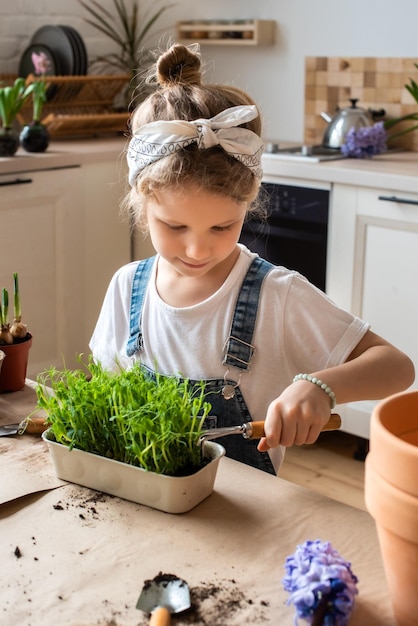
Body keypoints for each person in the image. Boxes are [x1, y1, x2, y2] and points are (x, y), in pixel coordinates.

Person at [90, 43, 415, 475]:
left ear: (248, 206)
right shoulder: (126, 287)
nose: (197, 250)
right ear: (141, 206)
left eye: (222, 227)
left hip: (241, 520)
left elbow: (396, 367)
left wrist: (320, 386)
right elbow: (103, 395)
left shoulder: (276, 295)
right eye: (175, 227)